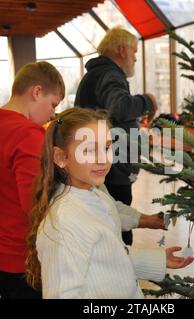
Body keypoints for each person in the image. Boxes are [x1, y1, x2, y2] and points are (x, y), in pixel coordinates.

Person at [26, 108, 193, 298]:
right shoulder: (64, 223)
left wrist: (158, 260)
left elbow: (112, 255)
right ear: (61, 158)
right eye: (89, 150)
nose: (103, 159)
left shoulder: (96, 193)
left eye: (106, 148)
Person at [0, 61, 65, 299]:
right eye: (53, 103)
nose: (53, 113)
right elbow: (36, 206)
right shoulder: (27, 133)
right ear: (36, 92)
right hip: (19, 257)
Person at [74, 26, 160, 245]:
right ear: (122, 50)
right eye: (134, 52)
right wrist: (148, 100)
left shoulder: (98, 74)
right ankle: (122, 271)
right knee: (118, 228)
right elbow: (120, 107)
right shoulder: (110, 74)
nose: (135, 58)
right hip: (111, 170)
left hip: (102, 166)